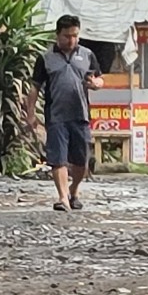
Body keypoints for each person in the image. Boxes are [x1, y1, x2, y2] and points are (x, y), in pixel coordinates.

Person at [34, 15, 103, 211]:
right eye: (67, 36)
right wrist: (30, 114)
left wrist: (95, 84)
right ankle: (63, 198)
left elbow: (99, 79)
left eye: (75, 36)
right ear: (58, 35)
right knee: (58, 159)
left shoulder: (87, 55)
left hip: (80, 116)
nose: (71, 40)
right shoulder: (45, 58)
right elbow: (34, 89)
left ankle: (74, 190)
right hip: (56, 116)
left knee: (81, 162)